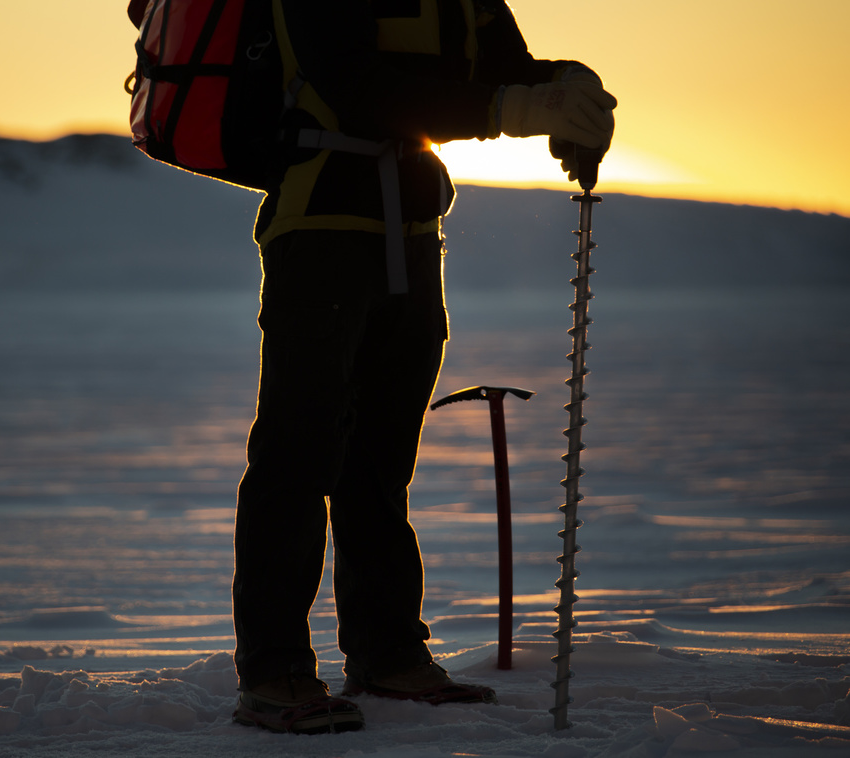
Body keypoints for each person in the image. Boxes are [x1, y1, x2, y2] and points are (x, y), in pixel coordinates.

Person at [231, 0, 616, 734]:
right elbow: (359, 89)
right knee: (297, 456)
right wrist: (521, 104)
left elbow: (504, 76)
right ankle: (274, 671)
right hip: (319, 236)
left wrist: (566, 87)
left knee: (378, 466)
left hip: (410, 242)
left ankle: (388, 656)